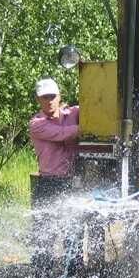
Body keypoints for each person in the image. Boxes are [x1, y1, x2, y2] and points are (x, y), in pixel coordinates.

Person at [28, 78, 80, 263]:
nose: (49, 101)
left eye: (52, 96)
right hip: (49, 184)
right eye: (44, 97)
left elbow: (94, 107)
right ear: (38, 100)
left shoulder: (73, 113)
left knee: (74, 236)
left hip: (71, 183)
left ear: (59, 97)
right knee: (44, 237)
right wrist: (88, 126)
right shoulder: (37, 124)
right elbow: (62, 134)